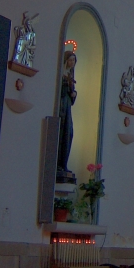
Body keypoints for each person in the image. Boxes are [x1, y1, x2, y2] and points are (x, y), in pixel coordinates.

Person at [57, 51, 78, 181]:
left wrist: (74, 93)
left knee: (68, 134)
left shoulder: (70, 75)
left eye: (74, 60)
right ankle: (58, 164)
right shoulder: (61, 74)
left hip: (67, 107)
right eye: (70, 60)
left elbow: (71, 96)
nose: (72, 63)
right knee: (61, 133)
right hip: (61, 108)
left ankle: (63, 163)